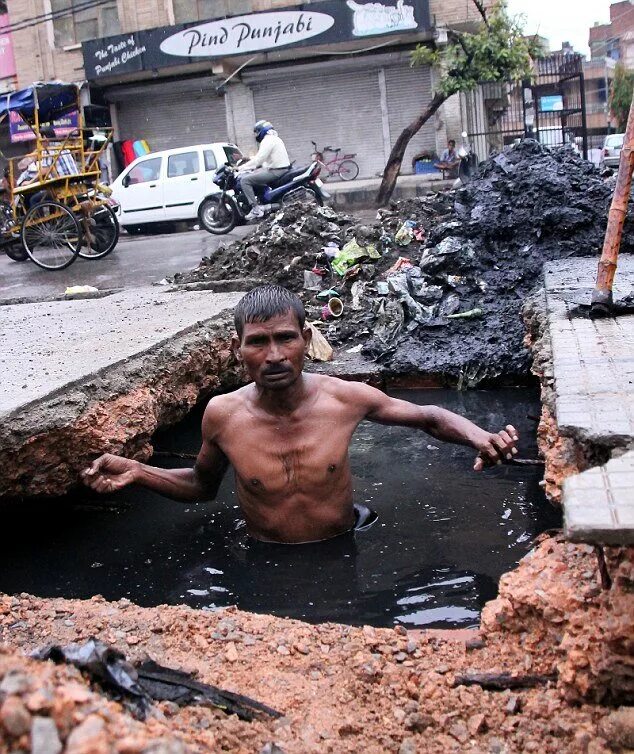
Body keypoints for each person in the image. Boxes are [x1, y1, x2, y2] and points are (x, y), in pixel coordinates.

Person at [83, 285, 520, 545]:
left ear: (306, 338)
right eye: (257, 342)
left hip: (344, 546)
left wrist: (479, 435)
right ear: (237, 349)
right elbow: (201, 486)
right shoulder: (222, 414)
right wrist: (139, 471)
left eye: (285, 338)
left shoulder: (345, 399)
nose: (274, 355)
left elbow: (427, 416)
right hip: (265, 557)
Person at [238, 120, 291, 221]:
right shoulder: (275, 138)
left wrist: (242, 168)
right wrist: (251, 162)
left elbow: (259, 159)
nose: (256, 135)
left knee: (245, 181)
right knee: (255, 174)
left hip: (276, 171)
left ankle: (256, 209)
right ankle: (264, 201)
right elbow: (264, 158)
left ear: (262, 131)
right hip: (280, 169)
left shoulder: (267, 141)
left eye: (257, 132)